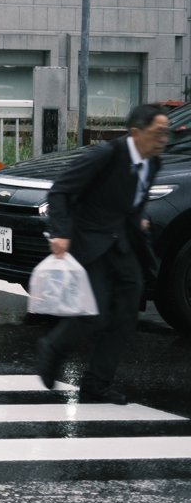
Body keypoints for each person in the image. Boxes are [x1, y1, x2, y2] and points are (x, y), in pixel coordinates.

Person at [37, 103, 169, 404]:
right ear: (136, 132)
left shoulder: (153, 162)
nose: (163, 138)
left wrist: (137, 216)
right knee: (93, 314)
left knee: (125, 315)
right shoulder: (106, 155)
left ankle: (96, 384)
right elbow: (60, 190)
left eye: (166, 132)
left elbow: (129, 199)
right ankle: (53, 347)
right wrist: (60, 232)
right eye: (158, 132)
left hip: (122, 242)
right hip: (90, 241)